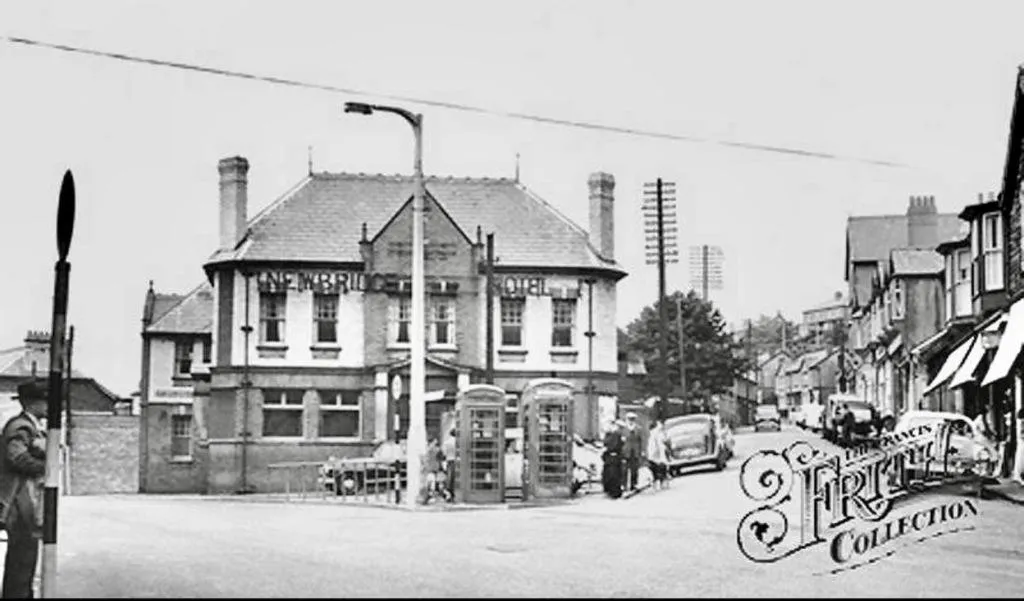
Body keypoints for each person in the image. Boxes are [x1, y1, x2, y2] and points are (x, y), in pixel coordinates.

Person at [0, 380, 48, 599]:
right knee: (23, 559)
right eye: (44, 401)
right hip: (19, 502)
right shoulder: (22, 426)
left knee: (24, 560)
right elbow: (16, 457)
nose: (48, 406)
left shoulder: (27, 425)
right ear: (33, 402)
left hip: (24, 501)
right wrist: (46, 468)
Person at [601, 421, 625, 499]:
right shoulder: (609, 435)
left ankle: (614, 492)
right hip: (609, 458)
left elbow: (616, 446)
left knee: (614, 475)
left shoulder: (616, 435)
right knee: (609, 474)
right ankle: (610, 490)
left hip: (614, 457)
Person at [646, 420, 671, 490]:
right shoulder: (653, 434)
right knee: (657, 469)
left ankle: (662, 481)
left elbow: (664, 441)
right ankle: (660, 481)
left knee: (660, 468)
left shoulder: (659, 433)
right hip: (654, 454)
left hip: (658, 453)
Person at [622, 413, 644, 491]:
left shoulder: (638, 429)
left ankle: (633, 484)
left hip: (635, 452)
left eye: (632, 419)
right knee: (624, 470)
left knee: (634, 469)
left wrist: (642, 451)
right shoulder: (623, 429)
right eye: (629, 419)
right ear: (627, 420)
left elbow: (641, 441)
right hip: (626, 452)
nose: (631, 421)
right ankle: (624, 485)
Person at [440, 428, 457, 503]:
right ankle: (452, 494)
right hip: (457, 461)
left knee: (449, 479)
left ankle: (448, 494)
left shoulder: (446, 442)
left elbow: (444, 453)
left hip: (449, 461)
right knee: (454, 479)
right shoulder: (457, 442)